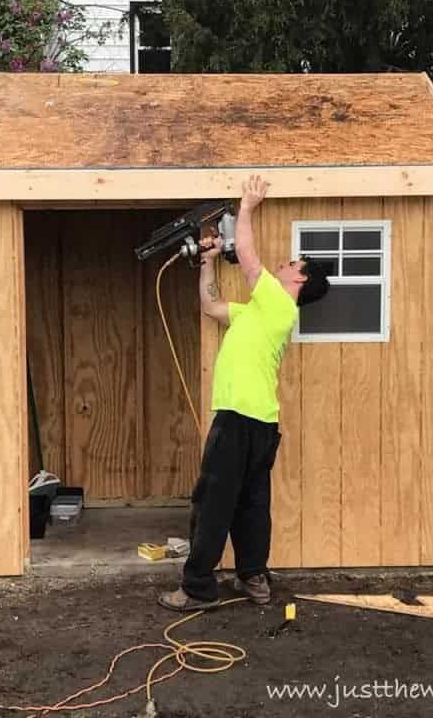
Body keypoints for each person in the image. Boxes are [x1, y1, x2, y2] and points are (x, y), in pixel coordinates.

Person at [158, 175, 330, 612]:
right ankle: (254, 580)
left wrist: (247, 206)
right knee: (252, 505)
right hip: (261, 424)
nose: (283, 264)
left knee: (212, 502)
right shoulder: (259, 312)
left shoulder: (278, 304)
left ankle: (196, 588)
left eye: (292, 263)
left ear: (300, 279)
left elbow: (250, 259)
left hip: (236, 420)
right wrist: (209, 261)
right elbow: (211, 306)